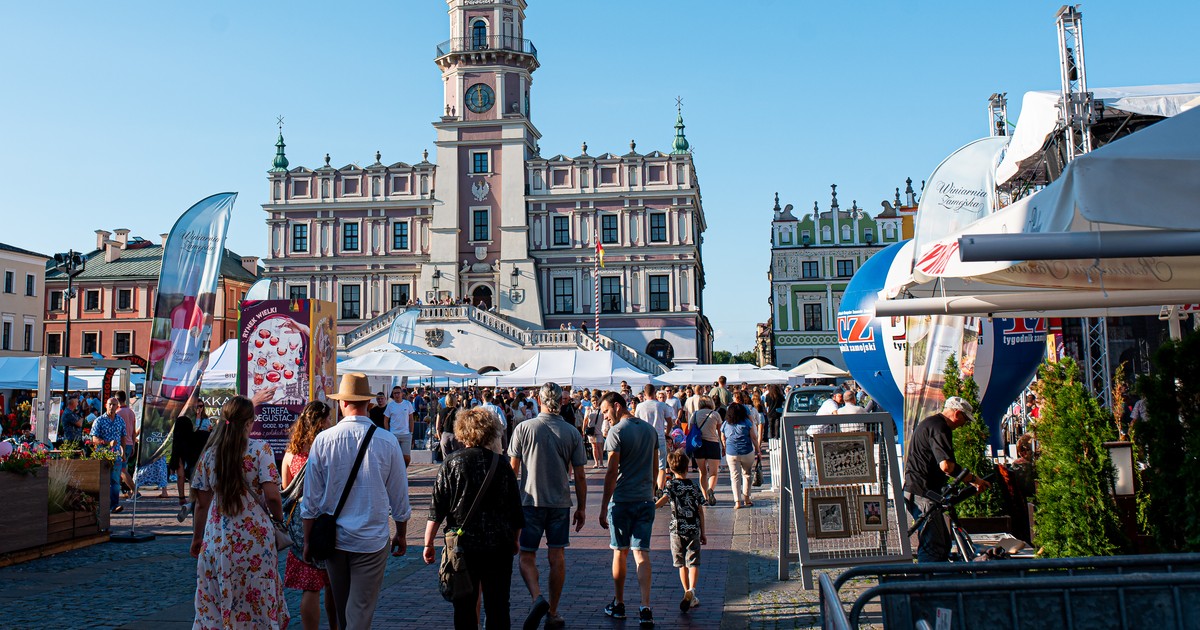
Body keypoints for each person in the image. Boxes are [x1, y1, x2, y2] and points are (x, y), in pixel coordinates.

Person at [302, 373, 411, 629]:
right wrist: (402, 532)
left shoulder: (323, 440)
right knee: (359, 609)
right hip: (371, 537)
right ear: (369, 404)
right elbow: (399, 496)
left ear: (342, 403)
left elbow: (311, 499)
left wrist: (308, 540)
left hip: (334, 538)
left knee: (342, 610)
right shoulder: (387, 441)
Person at [190, 396, 290, 628]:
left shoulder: (210, 454)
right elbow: (273, 496)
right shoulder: (260, 450)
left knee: (214, 603)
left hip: (218, 539)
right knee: (258, 602)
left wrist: (197, 537)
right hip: (254, 540)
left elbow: (202, 504)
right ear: (248, 422)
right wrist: (278, 518)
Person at [424, 408, 525, 630]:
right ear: (491, 432)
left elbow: (436, 508)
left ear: (462, 432)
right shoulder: (502, 464)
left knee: (464, 605)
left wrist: (428, 542)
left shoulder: (452, 462)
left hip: (463, 547)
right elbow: (516, 510)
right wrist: (515, 539)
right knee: (498, 605)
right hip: (498, 544)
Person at [507, 382, 588, 630]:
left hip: (530, 501)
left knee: (526, 555)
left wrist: (508, 506)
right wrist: (582, 507)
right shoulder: (571, 432)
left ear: (539, 399)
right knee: (557, 555)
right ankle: (553, 611)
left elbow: (512, 470)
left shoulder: (524, 429)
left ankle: (536, 597)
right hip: (560, 502)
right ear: (561, 401)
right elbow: (581, 475)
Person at [903, 397, 991, 563]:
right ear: (957, 413)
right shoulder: (940, 427)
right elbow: (947, 466)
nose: (964, 424)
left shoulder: (930, 423)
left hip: (919, 490)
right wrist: (973, 479)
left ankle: (935, 580)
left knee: (941, 541)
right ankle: (930, 583)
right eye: (965, 419)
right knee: (933, 545)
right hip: (923, 492)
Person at [599, 391, 658, 627]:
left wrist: (603, 506)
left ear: (616, 406)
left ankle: (620, 602)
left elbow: (612, 472)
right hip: (645, 499)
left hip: (622, 499)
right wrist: (651, 492)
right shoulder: (649, 430)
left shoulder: (617, 432)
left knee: (619, 551)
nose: (604, 417)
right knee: (641, 553)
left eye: (605, 412)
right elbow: (655, 468)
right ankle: (645, 607)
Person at [282, 401, 338, 630]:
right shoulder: (326, 450)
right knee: (332, 583)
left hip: (298, 522)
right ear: (320, 421)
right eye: (327, 419)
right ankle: (335, 627)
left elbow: (286, 490)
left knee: (310, 585)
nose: (330, 423)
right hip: (324, 519)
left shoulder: (290, 453)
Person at [654, 450, 706, 613]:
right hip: (693, 528)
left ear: (671, 469)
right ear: (687, 467)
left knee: (681, 563)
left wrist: (651, 507)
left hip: (676, 529)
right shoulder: (694, 486)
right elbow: (700, 510)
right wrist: (703, 532)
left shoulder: (671, 485)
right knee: (694, 561)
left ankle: (686, 592)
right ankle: (692, 590)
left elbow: (663, 500)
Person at [720, 402, 761, 509]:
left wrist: (725, 448)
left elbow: (723, 438)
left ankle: (737, 502)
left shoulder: (725, 424)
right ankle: (747, 499)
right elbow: (754, 438)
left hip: (731, 452)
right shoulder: (747, 422)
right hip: (746, 451)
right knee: (747, 474)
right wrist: (758, 450)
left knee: (734, 477)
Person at [90, 397, 126, 514]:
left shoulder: (120, 421)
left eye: (114, 405)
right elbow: (94, 439)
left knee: (115, 481)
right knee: (102, 481)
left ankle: (114, 505)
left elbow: (123, 437)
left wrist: (123, 452)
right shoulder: (99, 420)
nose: (112, 407)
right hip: (103, 455)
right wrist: (106, 442)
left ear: (117, 407)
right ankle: (101, 506)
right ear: (106, 405)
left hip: (116, 455)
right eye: (110, 404)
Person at [634, 384, 673, 494]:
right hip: (659, 437)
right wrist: (667, 433)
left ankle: (649, 489)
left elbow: (636, 422)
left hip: (644, 439)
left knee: (646, 465)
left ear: (645, 394)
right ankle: (660, 489)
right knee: (661, 466)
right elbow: (670, 422)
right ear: (654, 393)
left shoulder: (640, 406)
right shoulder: (661, 405)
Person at [689, 396, 723, 506]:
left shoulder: (695, 414)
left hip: (699, 445)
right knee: (713, 473)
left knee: (702, 472)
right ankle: (711, 489)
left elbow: (690, 429)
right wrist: (723, 445)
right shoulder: (715, 414)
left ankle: (705, 497)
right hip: (713, 444)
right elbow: (720, 432)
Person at [385, 387, 414, 465]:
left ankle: (404, 470)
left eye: (398, 393)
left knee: (406, 457)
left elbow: (411, 419)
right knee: (394, 456)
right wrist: (388, 432)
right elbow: (386, 420)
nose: (397, 395)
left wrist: (411, 432)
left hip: (406, 434)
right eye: (395, 393)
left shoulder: (408, 404)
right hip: (394, 434)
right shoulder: (390, 405)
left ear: (402, 394)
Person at [438, 391, 465, 458]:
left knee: (446, 459)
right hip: (456, 436)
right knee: (457, 457)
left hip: (445, 435)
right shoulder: (459, 412)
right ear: (455, 401)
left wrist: (439, 437)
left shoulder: (441, 412)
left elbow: (437, 427)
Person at [584, 393, 605, 468]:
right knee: (594, 447)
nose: (595, 402)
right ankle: (596, 462)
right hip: (591, 430)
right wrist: (584, 430)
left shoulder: (601, 409)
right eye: (593, 401)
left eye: (596, 400)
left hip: (599, 430)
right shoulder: (588, 409)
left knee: (599, 446)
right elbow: (585, 420)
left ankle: (601, 463)